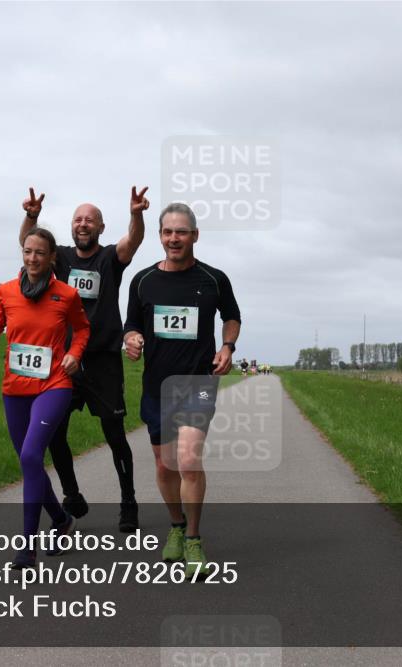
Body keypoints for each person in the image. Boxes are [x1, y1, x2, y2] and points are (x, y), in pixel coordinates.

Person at [20, 186, 148, 532]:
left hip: (103, 359)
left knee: (115, 434)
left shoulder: (109, 258)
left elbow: (132, 243)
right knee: (54, 432)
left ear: (101, 228)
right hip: (65, 361)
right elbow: (28, 245)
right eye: (78, 219)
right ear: (71, 226)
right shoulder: (59, 258)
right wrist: (31, 216)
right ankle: (72, 494)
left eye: (90, 220)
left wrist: (136, 214)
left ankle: (128, 501)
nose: (83, 223)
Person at [123, 202, 241, 577]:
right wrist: (132, 339)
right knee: (164, 464)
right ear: (160, 236)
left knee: (188, 461)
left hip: (198, 383)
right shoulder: (142, 280)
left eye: (182, 232)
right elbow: (129, 325)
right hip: (157, 386)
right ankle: (175, 526)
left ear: (195, 235)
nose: (174, 239)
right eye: (168, 232)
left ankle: (193, 538)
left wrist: (227, 347)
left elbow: (232, 316)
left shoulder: (214, 279)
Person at [0, 227, 90, 569]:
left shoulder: (66, 295)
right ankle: (60, 519)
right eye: (28, 251)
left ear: (52, 257)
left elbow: (83, 329)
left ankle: (27, 548)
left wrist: (74, 352)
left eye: (40, 253)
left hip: (54, 384)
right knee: (29, 463)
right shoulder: (5, 291)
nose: (32, 258)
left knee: (30, 455)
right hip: (15, 389)